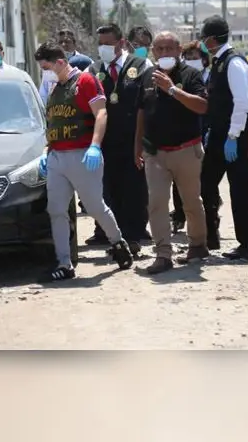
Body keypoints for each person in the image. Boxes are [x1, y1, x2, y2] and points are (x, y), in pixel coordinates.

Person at [36, 42, 134, 281]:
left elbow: (101, 113)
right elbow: (54, 123)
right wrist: (46, 151)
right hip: (58, 156)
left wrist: (95, 146)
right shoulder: (55, 88)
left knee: (94, 207)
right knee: (56, 210)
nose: (45, 72)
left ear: (60, 61)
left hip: (82, 153)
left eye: (46, 66)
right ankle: (64, 263)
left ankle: (118, 242)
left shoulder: (86, 81)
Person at [135, 32, 209, 273]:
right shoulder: (146, 76)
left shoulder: (191, 75)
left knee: (190, 202)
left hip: (186, 149)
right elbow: (141, 113)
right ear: (153, 52)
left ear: (179, 50)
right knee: (156, 202)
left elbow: (202, 106)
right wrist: (137, 147)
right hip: (155, 152)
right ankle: (163, 254)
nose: (165, 53)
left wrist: (172, 90)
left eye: (170, 49)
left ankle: (197, 245)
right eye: (160, 49)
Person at [86, 23, 152, 253]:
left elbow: (149, 102)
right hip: (105, 142)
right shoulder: (92, 71)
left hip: (133, 140)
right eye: (100, 44)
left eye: (108, 43)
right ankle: (112, 237)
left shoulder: (141, 65)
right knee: (107, 190)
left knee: (134, 189)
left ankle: (133, 236)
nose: (103, 48)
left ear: (121, 43)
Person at [199, 16, 248, 259]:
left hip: (235, 135)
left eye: (204, 39)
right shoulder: (219, 62)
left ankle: (247, 245)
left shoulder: (233, 63)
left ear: (211, 39)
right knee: (206, 183)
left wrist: (233, 136)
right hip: (220, 134)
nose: (203, 43)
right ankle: (210, 236)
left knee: (240, 191)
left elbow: (242, 102)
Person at [170, 40, 211, 234]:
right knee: (178, 182)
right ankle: (179, 216)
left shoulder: (210, 77)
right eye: (188, 57)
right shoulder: (181, 77)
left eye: (196, 57)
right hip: (184, 135)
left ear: (204, 59)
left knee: (202, 182)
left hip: (206, 131)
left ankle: (209, 224)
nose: (192, 60)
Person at [39, 29, 92, 103]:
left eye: (67, 42)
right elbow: (43, 93)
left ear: (74, 44)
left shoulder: (86, 62)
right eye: (60, 42)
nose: (63, 45)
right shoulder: (49, 66)